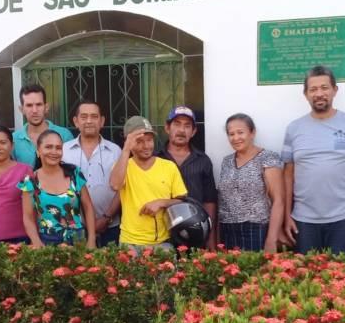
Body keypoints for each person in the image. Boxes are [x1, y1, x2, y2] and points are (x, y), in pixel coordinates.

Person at [281, 65, 345, 255]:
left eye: (324, 88)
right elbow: (288, 176)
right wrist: (286, 216)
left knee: (343, 279)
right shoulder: (294, 129)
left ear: (335, 90)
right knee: (306, 280)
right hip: (304, 220)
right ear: (306, 94)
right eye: (313, 89)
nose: (319, 94)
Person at [109, 116, 187, 250]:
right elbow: (115, 185)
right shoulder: (123, 166)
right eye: (139, 141)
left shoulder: (168, 166)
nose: (146, 146)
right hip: (130, 243)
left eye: (149, 140)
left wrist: (161, 202)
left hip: (163, 242)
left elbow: (182, 201)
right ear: (129, 142)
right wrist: (126, 149)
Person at [217, 113, 284, 252]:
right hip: (227, 229)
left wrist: (272, 238)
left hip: (255, 229)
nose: (236, 138)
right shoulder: (227, 161)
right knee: (229, 272)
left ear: (252, 132)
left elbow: (278, 201)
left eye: (240, 132)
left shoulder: (268, 158)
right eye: (231, 134)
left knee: (254, 272)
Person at [18, 130, 96, 248]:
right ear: (38, 150)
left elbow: (88, 207)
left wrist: (91, 240)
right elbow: (28, 217)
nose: (54, 152)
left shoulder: (74, 173)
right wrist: (36, 242)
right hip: (47, 242)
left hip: (79, 240)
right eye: (48, 147)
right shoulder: (30, 181)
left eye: (58, 148)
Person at [62, 101, 122, 247]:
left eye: (94, 116)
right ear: (76, 121)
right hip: (73, 227)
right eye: (84, 116)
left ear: (102, 121)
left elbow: (122, 189)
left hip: (110, 225)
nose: (89, 121)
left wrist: (107, 217)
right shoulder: (63, 151)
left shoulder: (115, 151)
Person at [157, 106, 218, 249]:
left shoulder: (203, 160)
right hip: (162, 235)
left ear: (194, 131)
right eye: (177, 124)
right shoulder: (155, 158)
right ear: (167, 128)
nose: (181, 130)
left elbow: (209, 201)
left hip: (196, 234)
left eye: (187, 126)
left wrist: (210, 238)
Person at [12, 84, 74, 167]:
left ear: (46, 107)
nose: (34, 110)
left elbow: (70, 169)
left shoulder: (64, 135)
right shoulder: (14, 139)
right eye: (29, 105)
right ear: (21, 109)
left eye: (39, 104)